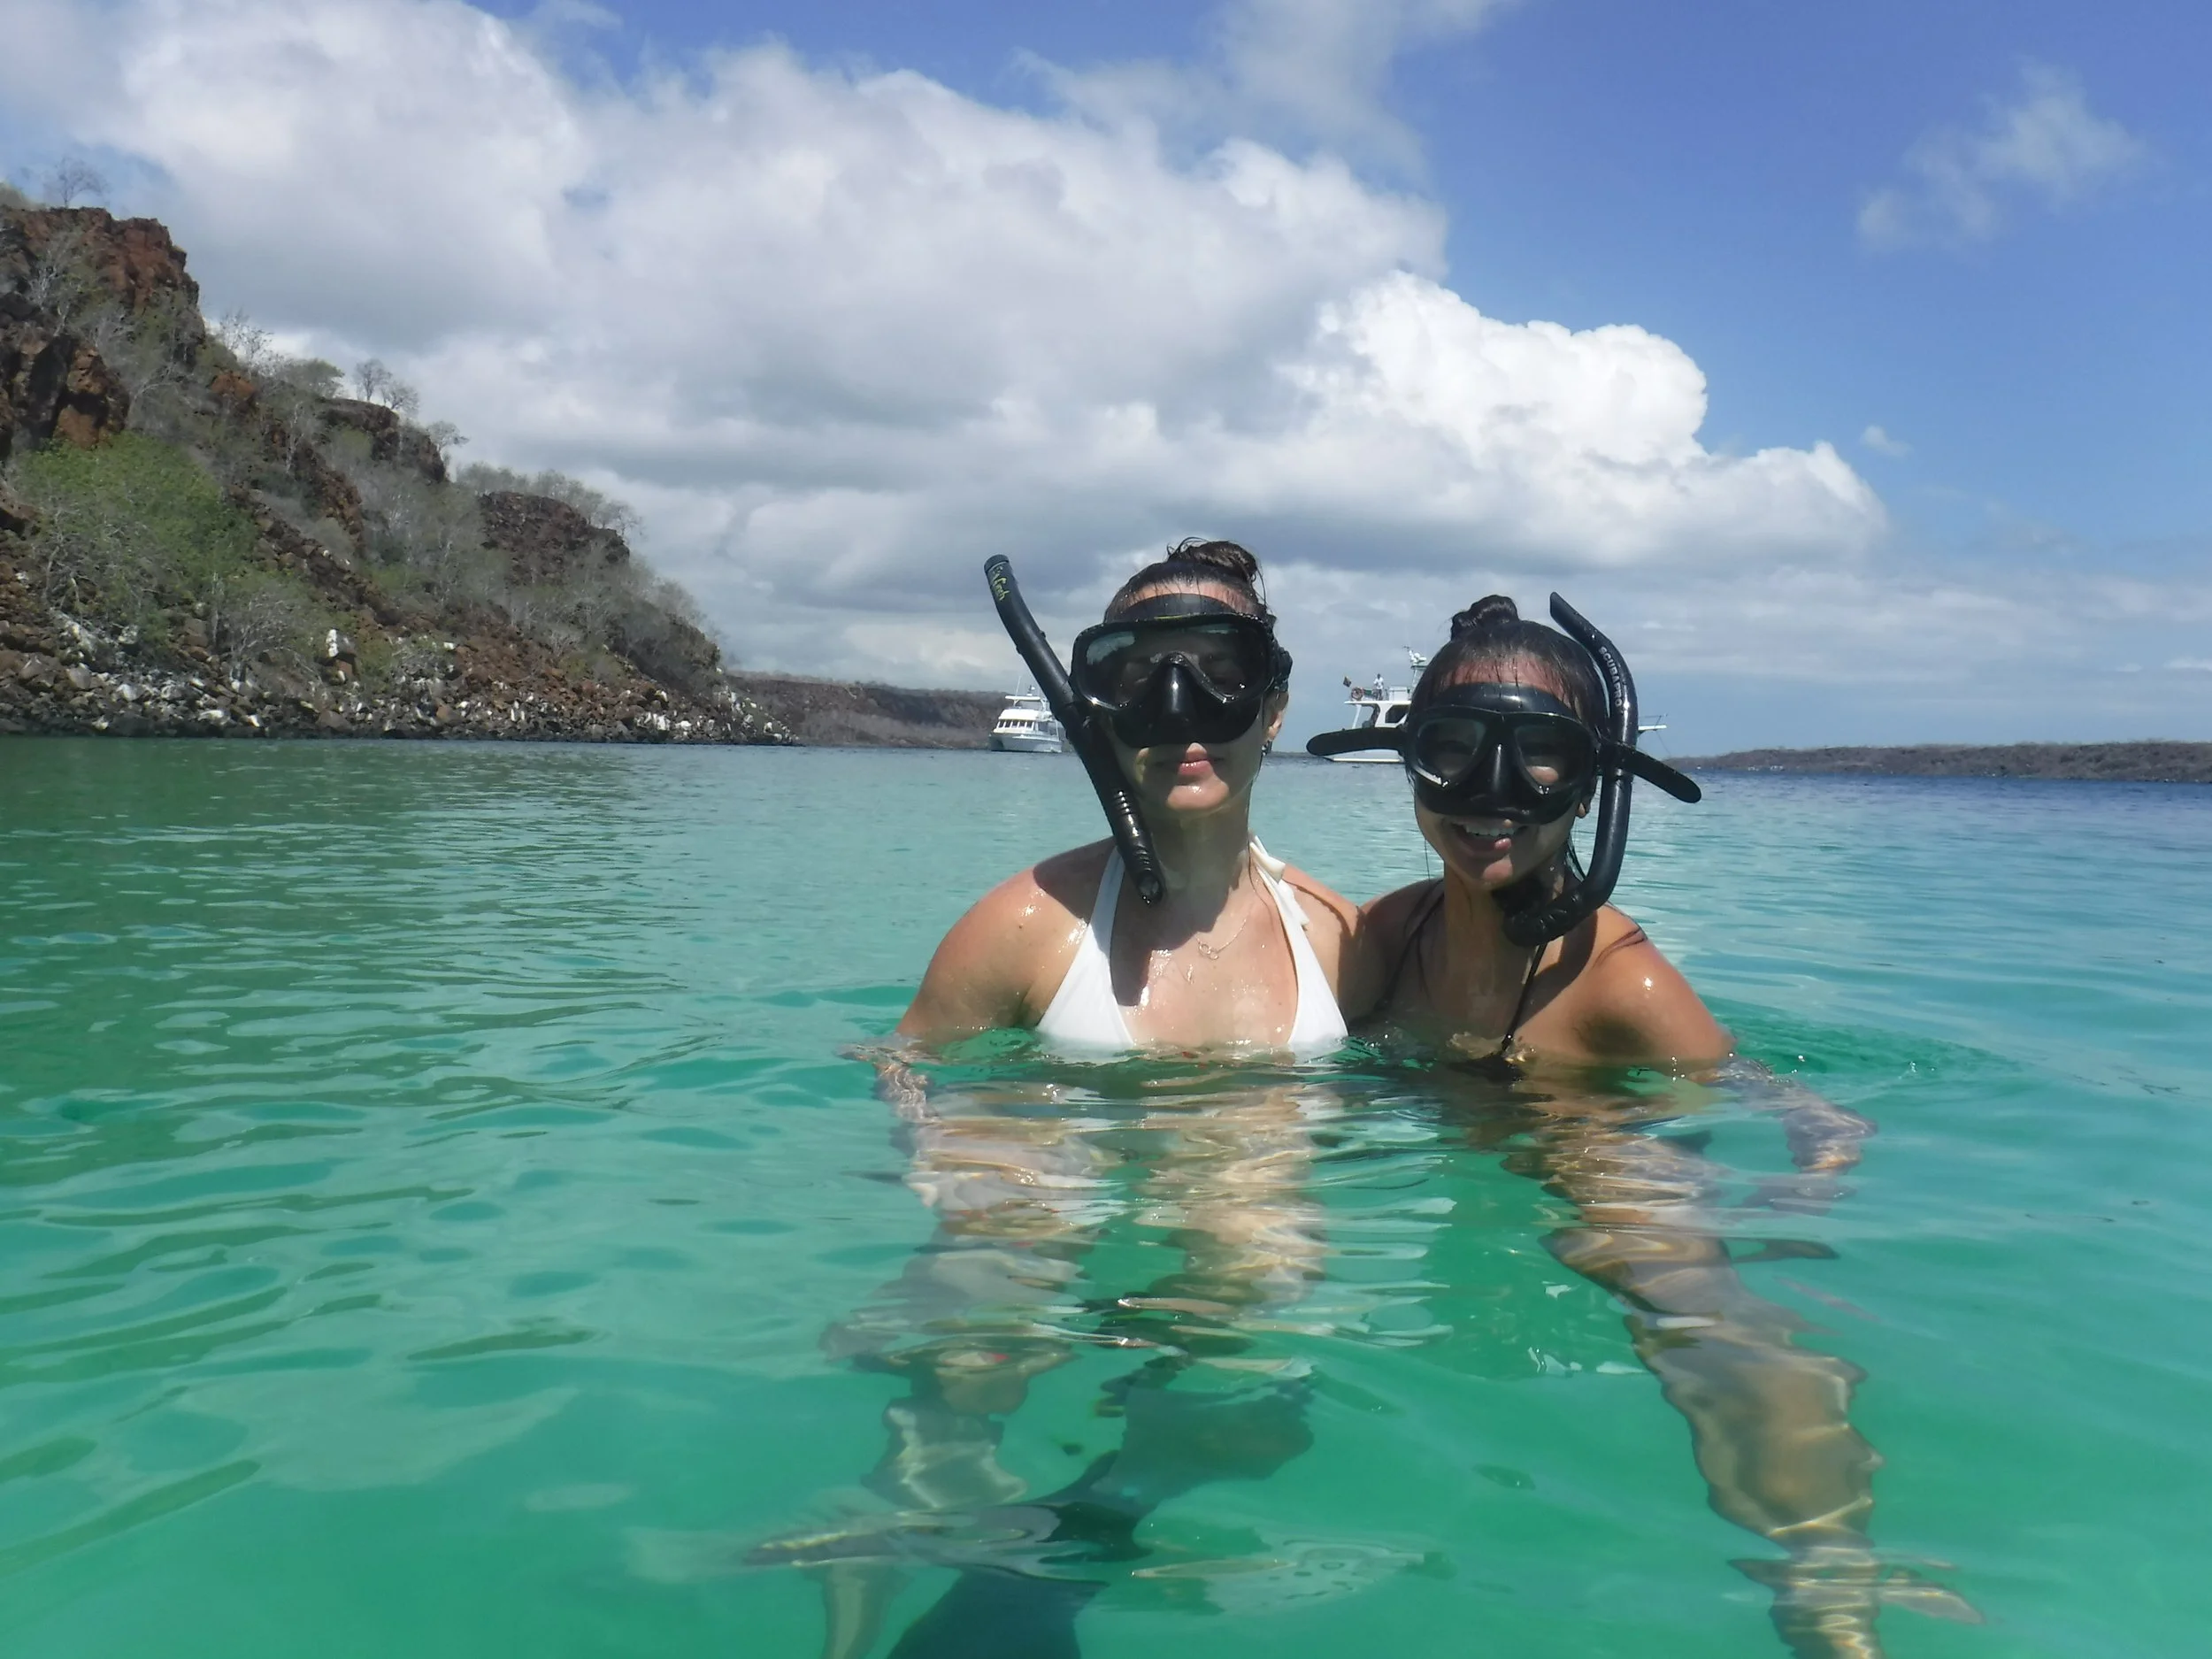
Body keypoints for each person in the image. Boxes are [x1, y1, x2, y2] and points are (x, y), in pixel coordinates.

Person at [1322, 595, 1973, 1657]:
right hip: (1460, 1152)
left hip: (1600, 1147)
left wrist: (1815, 1157)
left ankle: (1830, 1575)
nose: (1492, 794)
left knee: (1700, 1318)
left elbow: (1777, 1093)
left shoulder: (1617, 979)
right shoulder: (1393, 934)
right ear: (1410, 761)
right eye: (1452, 749)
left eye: (1539, 756)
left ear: (1589, 783)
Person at [900, 539, 1356, 1054]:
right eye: (1140, 682)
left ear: (1274, 712)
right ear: (1103, 717)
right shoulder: (1023, 929)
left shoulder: (1337, 942)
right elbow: (904, 1074)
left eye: (1224, 678)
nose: (1179, 713)